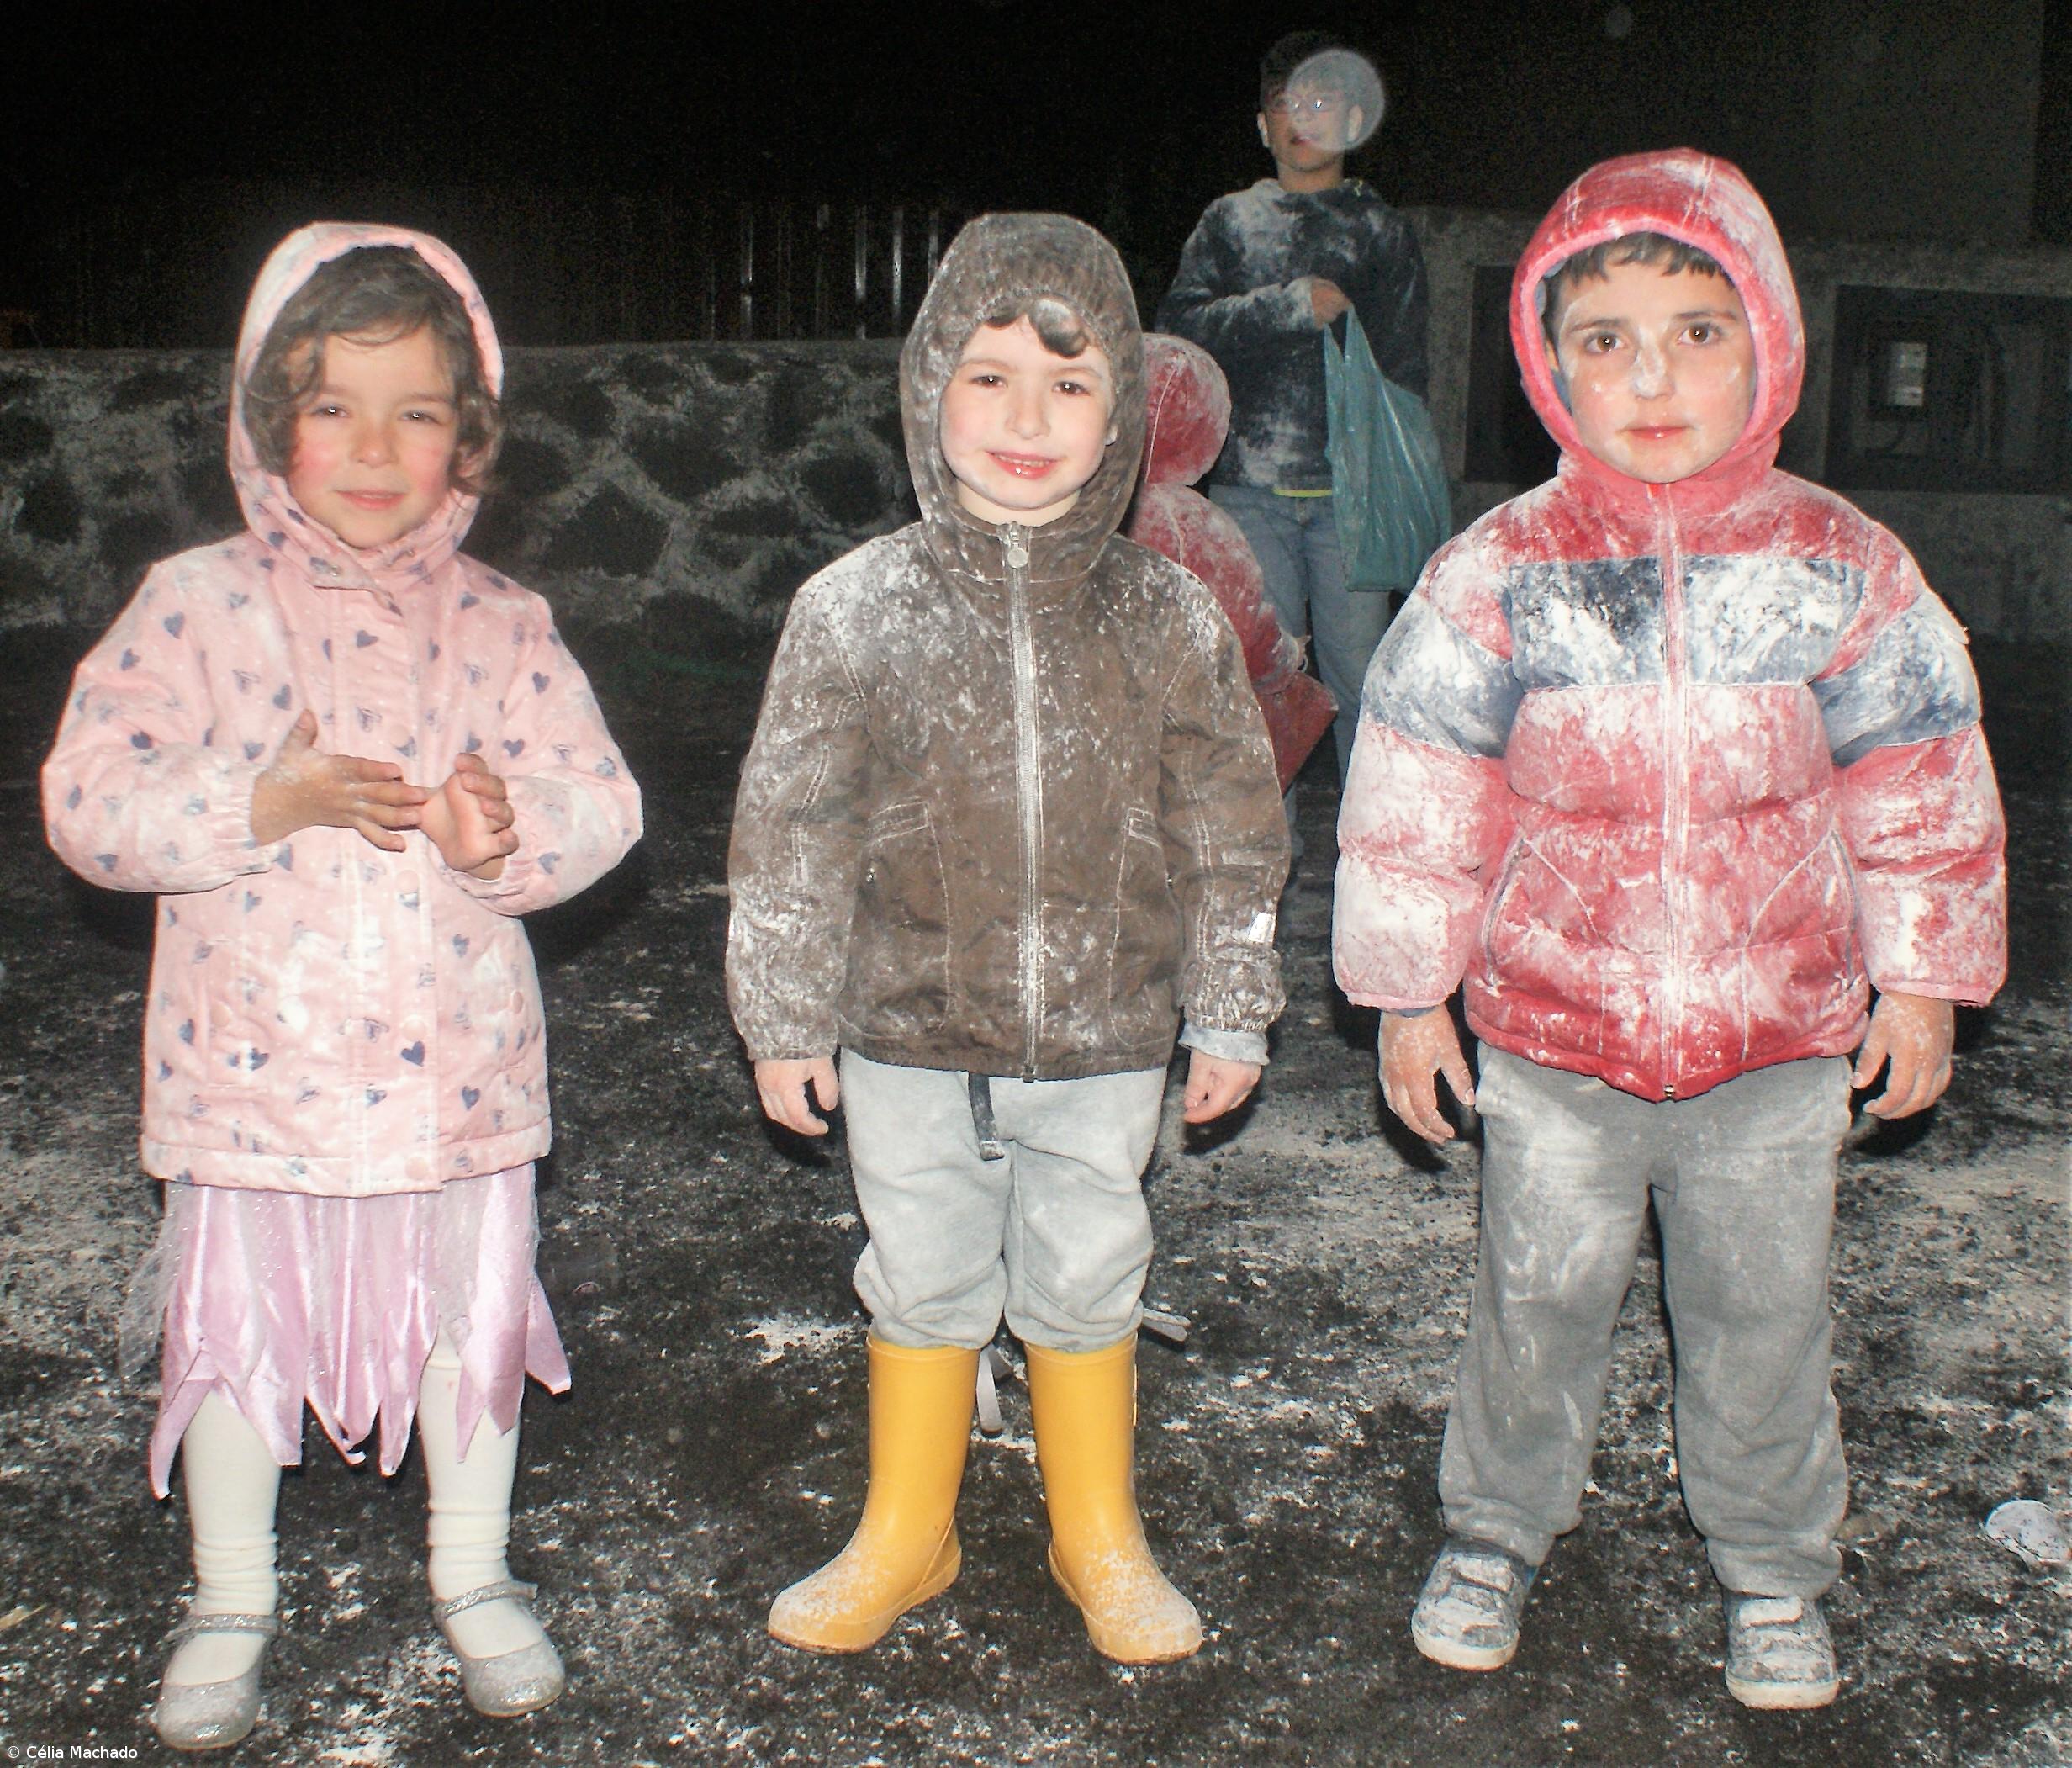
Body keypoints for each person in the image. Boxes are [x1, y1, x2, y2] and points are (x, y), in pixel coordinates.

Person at [1334, 150, 2006, 1711]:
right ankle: (1495, 1527)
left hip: (1774, 1043)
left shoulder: (1840, 565)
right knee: (1535, 1298)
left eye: (1696, 331)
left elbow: (1919, 779)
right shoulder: (1499, 574)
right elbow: (1415, 792)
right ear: (1544, 364)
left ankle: (1771, 1565)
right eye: (1604, 338)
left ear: (1767, 338)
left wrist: (1919, 980)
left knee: (1762, 1320)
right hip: (1554, 1038)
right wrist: (1409, 994)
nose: (1650, 377)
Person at [43, 225, 642, 1750]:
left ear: (470, 437)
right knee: (239, 1327)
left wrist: (503, 833)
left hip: (455, 1073)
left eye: (416, 411)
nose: (375, 450)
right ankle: (230, 1592)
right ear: (267, 422)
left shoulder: (503, 623)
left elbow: (602, 800)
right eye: (333, 407)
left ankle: (473, 1567)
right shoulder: (193, 607)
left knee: (464, 1316)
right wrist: (260, 798)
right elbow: (87, 798)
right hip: (254, 1068)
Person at [727, 213, 1287, 1666]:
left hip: (1105, 1034)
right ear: (929, 391)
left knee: (1088, 1269)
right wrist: (782, 1014)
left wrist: (1230, 999)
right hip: (905, 1029)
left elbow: (1230, 823)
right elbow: (793, 828)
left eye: (1069, 382)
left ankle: (1095, 1530)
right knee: (920, 1271)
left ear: (1122, 413)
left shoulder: (1165, 614)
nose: (1027, 420)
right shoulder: (853, 611)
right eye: (988, 377)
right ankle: (904, 1529)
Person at [1158, 29, 1430, 803]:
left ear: (1353, 121)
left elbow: (1406, 372)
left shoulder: (1379, 231)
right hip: (1248, 491)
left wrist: (1394, 483)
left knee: (1362, 683)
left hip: (1350, 500)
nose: (1303, 117)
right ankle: (1253, 850)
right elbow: (1177, 331)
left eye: (1322, 100)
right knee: (1256, 682)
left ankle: (1374, 847)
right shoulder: (1228, 222)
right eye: (1286, 103)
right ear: (1263, 125)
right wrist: (1285, 307)